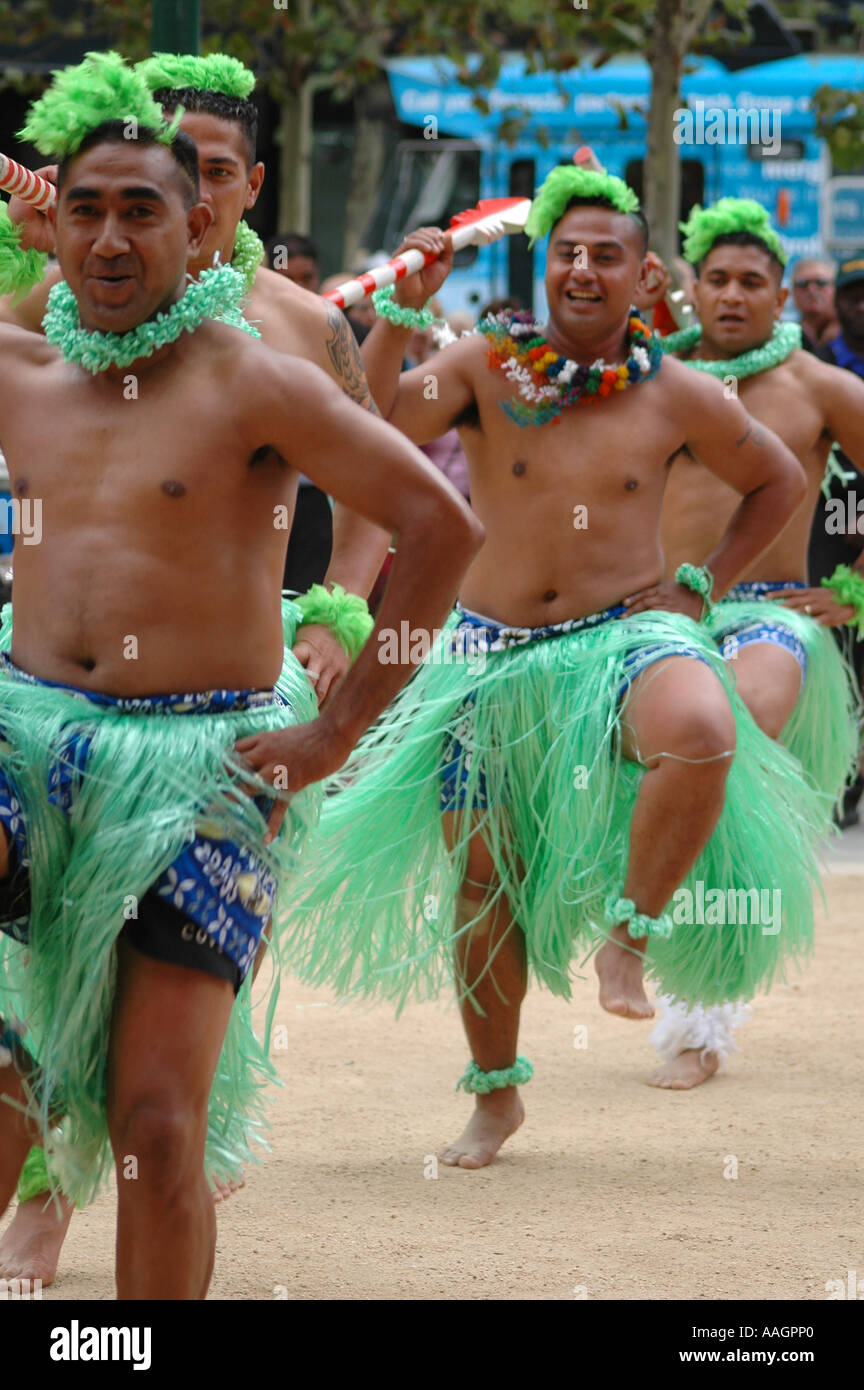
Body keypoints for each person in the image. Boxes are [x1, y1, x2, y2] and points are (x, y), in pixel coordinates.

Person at [0, 52, 480, 1299]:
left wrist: (337, 729)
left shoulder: (262, 372)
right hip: (24, 737)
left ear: (203, 218)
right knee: (9, 1083)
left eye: (142, 209)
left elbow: (440, 529)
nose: (110, 237)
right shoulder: (20, 364)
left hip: (209, 767)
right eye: (85, 208)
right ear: (50, 215)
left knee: (160, 1129)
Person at [279, 165, 825, 1171]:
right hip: (488, 656)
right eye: (565, 252)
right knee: (487, 884)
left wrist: (705, 584)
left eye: (603, 254)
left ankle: (629, 928)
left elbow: (780, 478)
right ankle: (495, 1093)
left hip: (624, 633)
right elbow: (378, 422)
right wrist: (401, 306)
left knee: (702, 727)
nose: (581, 268)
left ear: (642, 272)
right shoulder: (489, 365)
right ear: (544, 266)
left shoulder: (679, 392)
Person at [649, 198, 864, 1088]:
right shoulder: (655, 377)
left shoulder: (818, 387)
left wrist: (855, 586)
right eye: (718, 281)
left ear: (784, 294)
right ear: (692, 289)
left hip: (776, 615)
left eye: (753, 282)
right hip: (663, 623)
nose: (733, 296)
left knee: (725, 742)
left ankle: (702, 1011)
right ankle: (666, 963)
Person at [791, 256, 839, 352]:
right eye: (802, 284)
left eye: (821, 283)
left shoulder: (854, 334)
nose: (811, 290)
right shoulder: (786, 338)